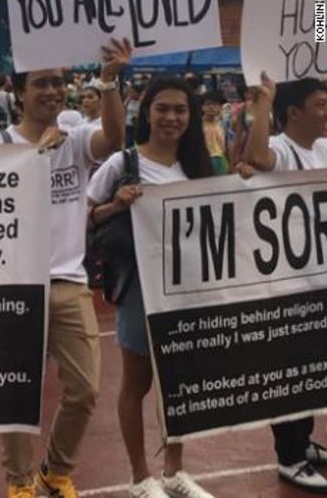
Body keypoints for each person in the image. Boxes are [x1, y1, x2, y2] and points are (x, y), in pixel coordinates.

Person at [0, 38, 130, 498]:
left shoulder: (78, 138)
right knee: (16, 392)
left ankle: (54, 470)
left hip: (68, 280)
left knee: (85, 389)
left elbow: (115, 139)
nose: (53, 91)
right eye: (42, 83)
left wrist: (108, 82)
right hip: (16, 283)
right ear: (20, 93)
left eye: (59, 82)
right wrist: (37, 155)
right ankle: (20, 480)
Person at [88, 77, 216, 498]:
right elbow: (86, 218)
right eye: (162, 108)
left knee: (179, 382)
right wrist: (115, 205)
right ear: (147, 112)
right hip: (140, 286)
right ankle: (140, 476)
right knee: (137, 382)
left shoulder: (200, 165)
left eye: (180, 110)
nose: (171, 117)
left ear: (191, 116)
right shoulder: (122, 164)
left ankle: (174, 470)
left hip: (190, 286)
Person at [243, 76, 327, 493]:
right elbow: (256, 155)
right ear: (294, 112)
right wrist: (265, 101)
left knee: (313, 371)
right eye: (320, 104)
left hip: (320, 280)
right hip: (287, 284)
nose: (326, 110)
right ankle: (289, 457)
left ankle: (304, 442)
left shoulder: (323, 149)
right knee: (289, 373)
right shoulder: (281, 148)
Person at [200, 91, 229, 175]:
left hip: (221, 161)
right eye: (208, 104)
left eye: (215, 104)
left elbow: (226, 146)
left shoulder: (222, 125)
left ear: (220, 107)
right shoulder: (197, 125)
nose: (211, 107)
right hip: (204, 160)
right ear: (202, 107)